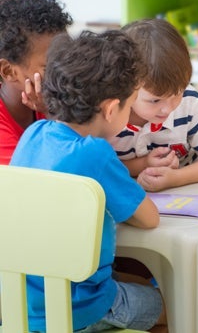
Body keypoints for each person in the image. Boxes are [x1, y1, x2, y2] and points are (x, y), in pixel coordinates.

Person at [10, 30, 168, 333]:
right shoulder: (95, 153)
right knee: (174, 304)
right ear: (111, 109)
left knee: (131, 284)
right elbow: (149, 219)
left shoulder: (34, 133)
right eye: (130, 104)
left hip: (22, 304)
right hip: (80, 308)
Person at [110, 18, 198, 191]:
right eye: (155, 100)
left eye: (177, 93)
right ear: (126, 86)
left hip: (185, 197)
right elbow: (95, 168)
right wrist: (142, 165)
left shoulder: (189, 101)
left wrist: (175, 178)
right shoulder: (108, 113)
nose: (168, 108)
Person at [0, 0, 72, 164]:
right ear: (9, 71)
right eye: (51, 66)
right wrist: (52, 113)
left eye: (69, 58)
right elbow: (49, 174)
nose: (68, 71)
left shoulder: (54, 96)